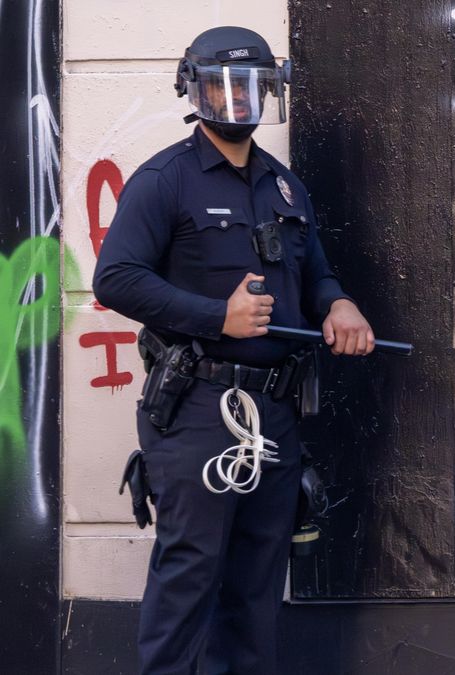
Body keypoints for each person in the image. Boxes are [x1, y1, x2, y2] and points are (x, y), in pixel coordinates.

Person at [94, 26, 374, 674]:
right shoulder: (165, 180)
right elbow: (116, 278)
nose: (236, 99)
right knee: (190, 574)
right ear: (195, 92)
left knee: (257, 583)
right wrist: (218, 316)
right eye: (221, 86)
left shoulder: (285, 187)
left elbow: (315, 274)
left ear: (269, 91)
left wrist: (338, 304)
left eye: (249, 86)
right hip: (198, 406)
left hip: (274, 412)